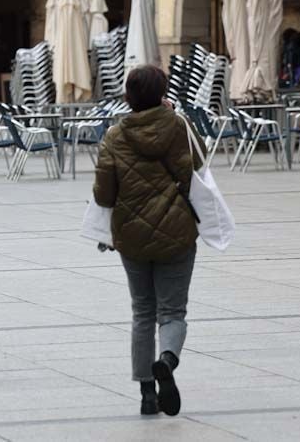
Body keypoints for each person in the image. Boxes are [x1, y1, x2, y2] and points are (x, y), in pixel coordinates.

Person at [93, 65, 202, 417]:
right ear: (162, 94)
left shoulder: (114, 136)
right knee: (172, 311)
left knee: (143, 311)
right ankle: (167, 360)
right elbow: (199, 164)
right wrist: (177, 118)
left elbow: (104, 194)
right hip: (178, 232)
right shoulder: (179, 126)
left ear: (128, 97)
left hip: (132, 236)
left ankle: (146, 394)